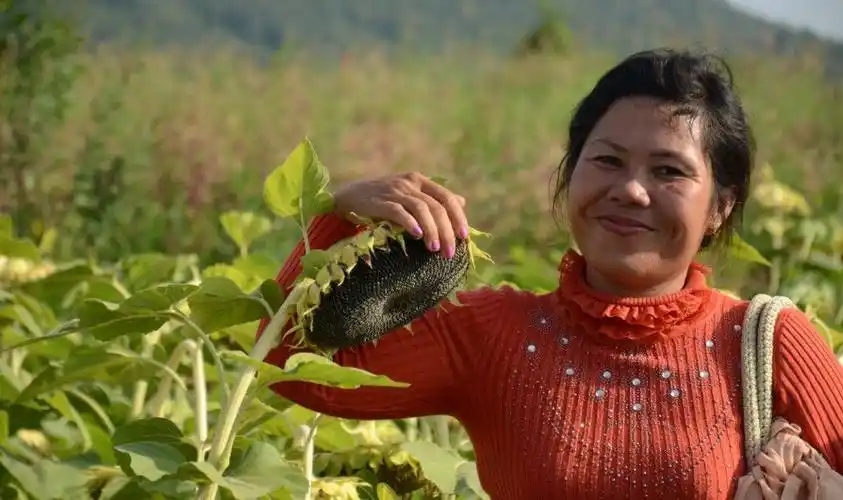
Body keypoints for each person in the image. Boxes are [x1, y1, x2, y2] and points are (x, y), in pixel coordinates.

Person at [256, 48, 843, 499]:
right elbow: (287, 370)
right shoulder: (494, 334)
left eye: (669, 170)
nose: (631, 190)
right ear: (571, 176)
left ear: (719, 207)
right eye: (607, 160)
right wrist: (338, 218)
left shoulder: (770, 344)